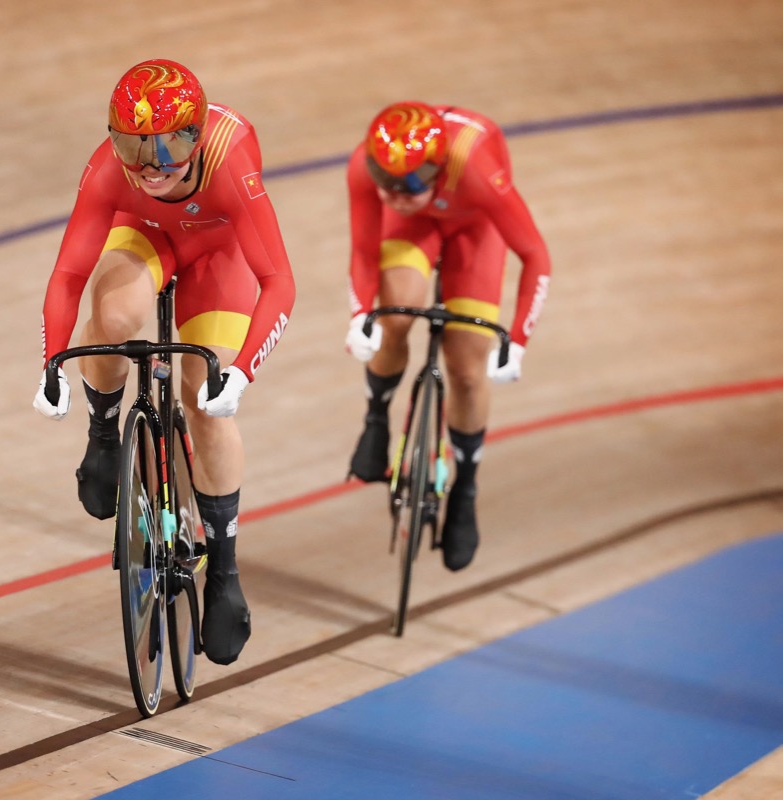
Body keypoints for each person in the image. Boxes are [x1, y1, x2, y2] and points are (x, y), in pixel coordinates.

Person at [32, 59, 296, 665]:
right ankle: (104, 434)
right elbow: (69, 273)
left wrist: (243, 371)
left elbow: (278, 281)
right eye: (133, 146)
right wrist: (51, 362)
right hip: (146, 235)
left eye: (164, 148)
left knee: (205, 401)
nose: (148, 165)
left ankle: (224, 571)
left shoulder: (230, 162)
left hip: (217, 253)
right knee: (116, 320)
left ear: (195, 135)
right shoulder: (108, 170)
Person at [343, 100, 551, 571]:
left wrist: (517, 342)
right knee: (395, 317)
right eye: (386, 183)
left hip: (475, 228)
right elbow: (362, 250)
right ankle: (376, 417)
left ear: (438, 169)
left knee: (466, 367)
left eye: (411, 183)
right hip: (414, 230)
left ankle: (467, 485)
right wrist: (360, 316)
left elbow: (536, 257)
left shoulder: (474, 166)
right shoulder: (366, 167)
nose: (395, 193)